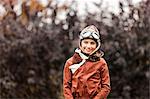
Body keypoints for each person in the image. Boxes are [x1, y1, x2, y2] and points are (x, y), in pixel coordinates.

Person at [63, 25, 111, 99]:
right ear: (81, 43)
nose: (88, 46)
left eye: (92, 43)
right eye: (86, 42)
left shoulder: (101, 63)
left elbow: (106, 87)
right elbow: (66, 87)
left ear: (97, 45)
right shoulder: (70, 62)